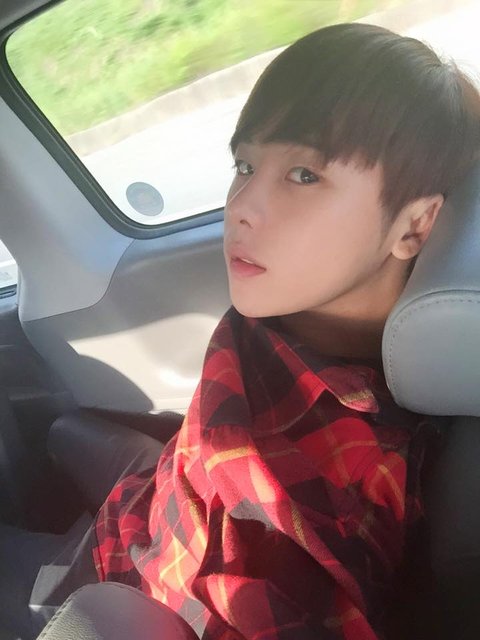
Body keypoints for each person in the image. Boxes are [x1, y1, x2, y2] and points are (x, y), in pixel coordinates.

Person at [2, 21, 480, 640]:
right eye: (245, 165)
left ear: (414, 227)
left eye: (304, 175)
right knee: (60, 430)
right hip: (150, 508)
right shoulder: (296, 316)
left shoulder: (305, 493)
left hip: (126, 589)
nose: (241, 205)